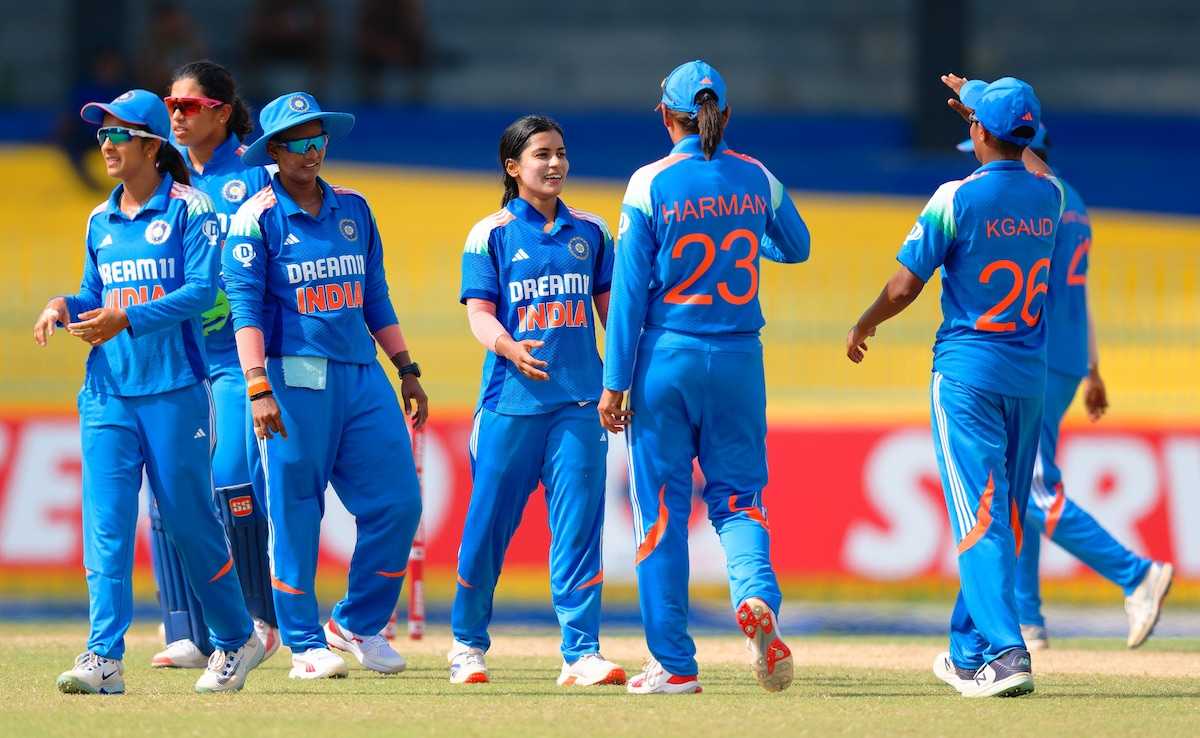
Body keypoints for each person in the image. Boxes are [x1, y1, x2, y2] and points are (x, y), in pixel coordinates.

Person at [33, 89, 263, 695]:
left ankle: (236, 637)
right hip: (107, 393)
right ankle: (103, 657)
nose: (106, 145)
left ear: (152, 145)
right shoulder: (99, 219)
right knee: (107, 529)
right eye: (102, 134)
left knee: (190, 523)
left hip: (174, 391)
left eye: (118, 134)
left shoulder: (190, 209)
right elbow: (94, 293)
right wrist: (63, 305)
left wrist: (127, 319)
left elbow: (201, 292)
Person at [847, 74, 1065, 698]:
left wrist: (865, 322)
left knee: (979, 516)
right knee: (1003, 513)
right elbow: (1034, 164)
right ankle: (970, 654)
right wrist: (987, 110)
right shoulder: (1050, 197)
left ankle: (1007, 651)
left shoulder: (956, 197)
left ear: (979, 132)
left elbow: (903, 287)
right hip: (1027, 378)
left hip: (968, 376)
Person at [599, 60, 811, 695]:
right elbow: (796, 245)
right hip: (740, 360)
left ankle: (674, 664)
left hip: (667, 358)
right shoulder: (756, 175)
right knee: (740, 498)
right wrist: (745, 234)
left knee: (663, 513)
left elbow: (628, 294)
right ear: (725, 114)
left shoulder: (649, 183)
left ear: (665, 116)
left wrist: (614, 382)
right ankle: (755, 594)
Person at [223, 91, 427, 680]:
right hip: (292, 377)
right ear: (274, 151)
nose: (310, 152)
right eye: (297, 143)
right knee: (295, 513)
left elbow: (374, 295)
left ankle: (357, 623)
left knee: (399, 504)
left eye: (318, 140)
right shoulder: (256, 217)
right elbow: (244, 309)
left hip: (362, 376)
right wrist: (257, 386)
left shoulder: (355, 207)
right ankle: (304, 641)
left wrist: (405, 367)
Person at [953, 128, 1174, 650]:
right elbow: (1078, 290)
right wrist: (1093, 367)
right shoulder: (1068, 200)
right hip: (1067, 357)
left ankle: (1137, 574)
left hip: (1036, 356)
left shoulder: (1029, 201)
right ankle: (1028, 619)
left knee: (1032, 490)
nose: (978, 161)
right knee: (1020, 484)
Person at [451, 114, 624, 687]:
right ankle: (467, 646)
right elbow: (480, 314)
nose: (555, 164)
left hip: (579, 403)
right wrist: (509, 347)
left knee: (579, 529)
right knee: (487, 529)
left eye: (561, 153)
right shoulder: (490, 233)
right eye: (541, 155)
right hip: (510, 403)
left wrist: (621, 379)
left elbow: (612, 314)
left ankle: (581, 653)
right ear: (512, 166)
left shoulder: (593, 230)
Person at [145, 60, 281, 670]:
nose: (175, 115)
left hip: (232, 357)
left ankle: (258, 619)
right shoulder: (159, 175)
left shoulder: (257, 174)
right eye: (170, 104)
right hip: (176, 359)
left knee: (230, 477)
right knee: (167, 489)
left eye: (189, 106)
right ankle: (186, 631)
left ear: (222, 112)